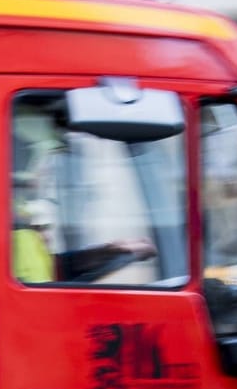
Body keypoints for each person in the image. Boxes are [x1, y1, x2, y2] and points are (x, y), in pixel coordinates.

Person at [10, 100, 156, 284]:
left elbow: (44, 274)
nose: (44, 169)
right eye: (41, 156)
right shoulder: (0, 220)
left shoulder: (17, 215)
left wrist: (103, 254)